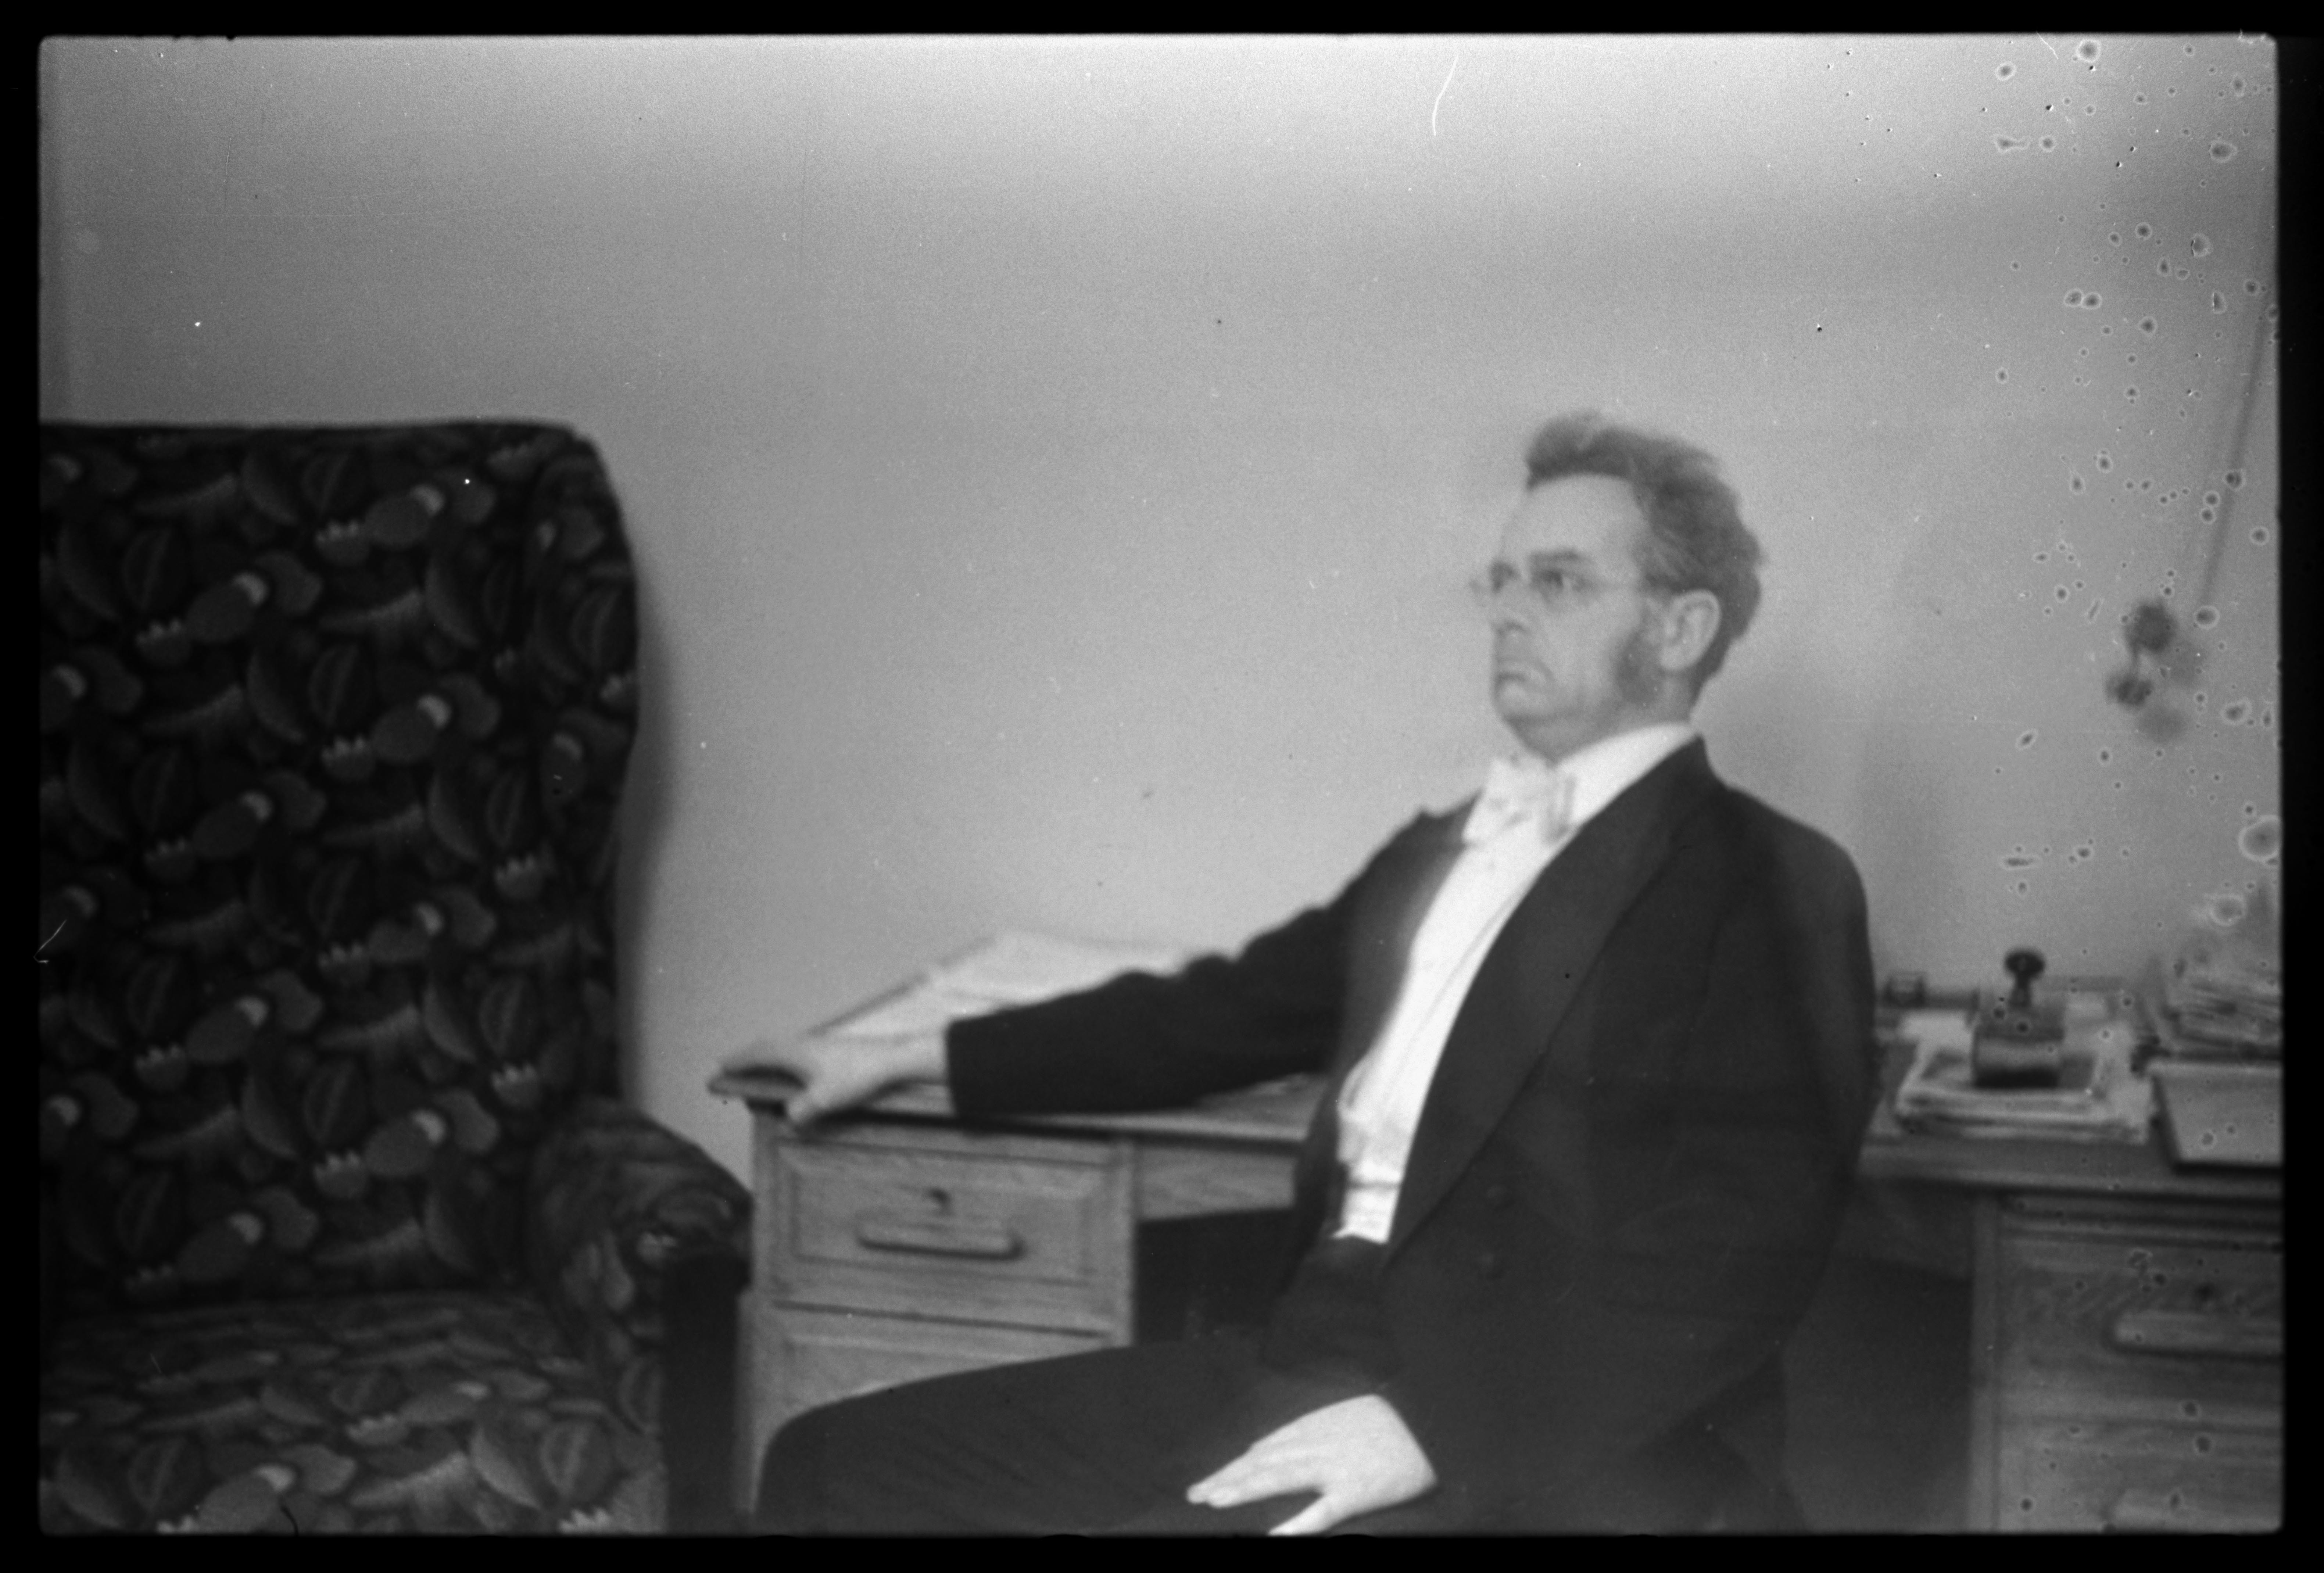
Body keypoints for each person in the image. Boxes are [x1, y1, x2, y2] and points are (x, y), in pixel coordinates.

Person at [730, 412, 1877, 1534]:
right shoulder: (1446, 844)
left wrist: (1434, 1428)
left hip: (1524, 1417)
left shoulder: (1770, 880)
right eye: (1501, 582)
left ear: (1679, 630)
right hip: (1313, 1345)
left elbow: (1740, 1250)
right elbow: (1221, 1013)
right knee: (832, 1464)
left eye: (1560, 583)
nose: (1507, 614)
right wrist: (906, 1056)